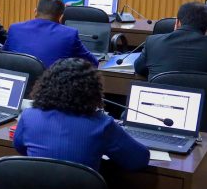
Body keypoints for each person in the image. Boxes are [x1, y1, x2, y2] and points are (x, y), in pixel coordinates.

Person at [14, 58, 149, 172]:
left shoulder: (29, 116)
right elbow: (138, 160)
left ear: (46, 86)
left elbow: (20, 147)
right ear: (92, 91)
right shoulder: (103, 124)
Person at [134, 1, 207, 86]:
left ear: (177, 23)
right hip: (203, 112)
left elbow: (139, 68)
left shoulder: (153, 42)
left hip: (159, 108)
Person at [2, 0, 98, 68]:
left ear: (35, 11)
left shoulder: (15, 29)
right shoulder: (69, 34)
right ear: (61, 17)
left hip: (19, 85)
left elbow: (2, 57)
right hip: (50, 87)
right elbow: (93, 63)